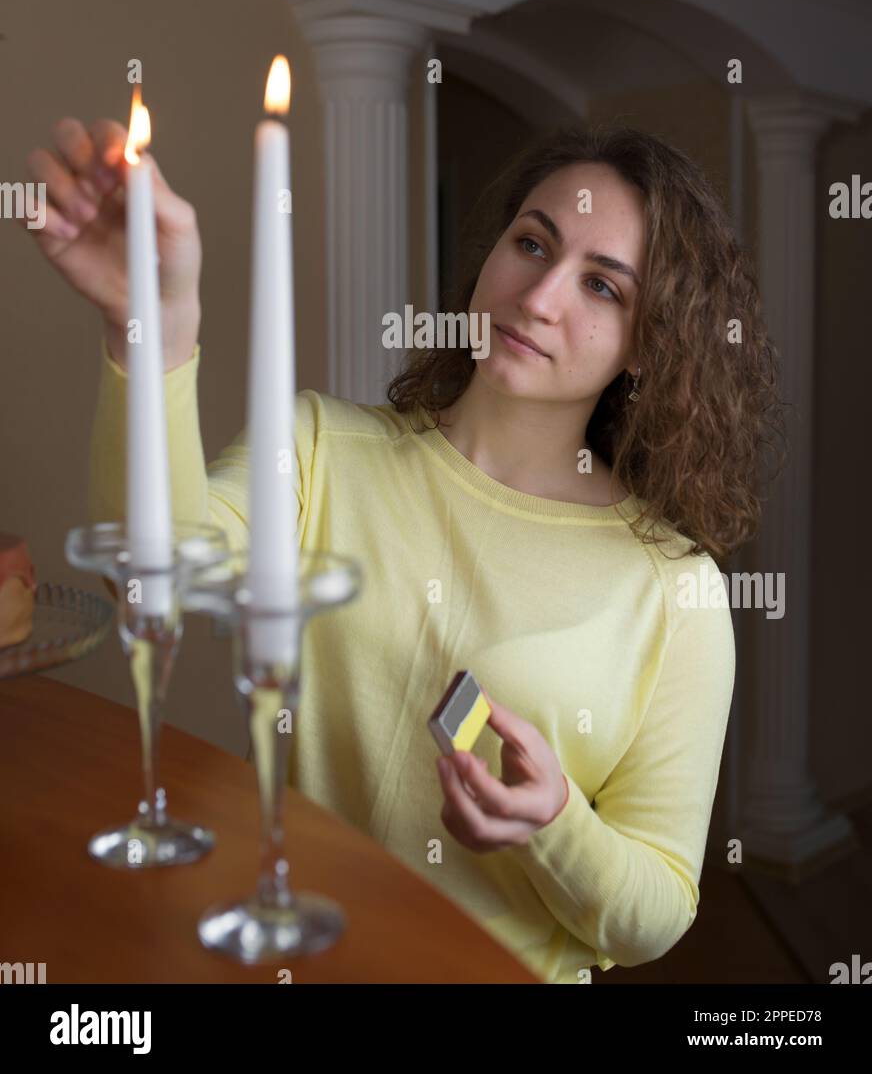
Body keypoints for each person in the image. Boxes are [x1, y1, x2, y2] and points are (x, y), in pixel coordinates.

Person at [22, 115, 786, 984]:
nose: (540, 297)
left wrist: (554, 824)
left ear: (650, 345)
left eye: (603, 287)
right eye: (533, 243)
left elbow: (658, 909)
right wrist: (150, 328)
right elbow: (149, 573)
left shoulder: (674, 592)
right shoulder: (318, 449)